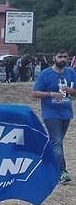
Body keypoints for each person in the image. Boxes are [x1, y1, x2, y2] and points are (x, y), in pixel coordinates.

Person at [31, 49, 76, 184]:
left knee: (57, 143)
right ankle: (56, 173)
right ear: (54, 58)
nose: (63, 59)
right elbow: (34, 93)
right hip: (51, 114)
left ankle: (54, 169)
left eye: (65, 57)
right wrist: (51, 94)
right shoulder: (46, 74)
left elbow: (75, 92)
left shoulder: (71, 72)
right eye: (60, 56)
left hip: (66, 113)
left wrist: (71, 91)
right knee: (56, 142)